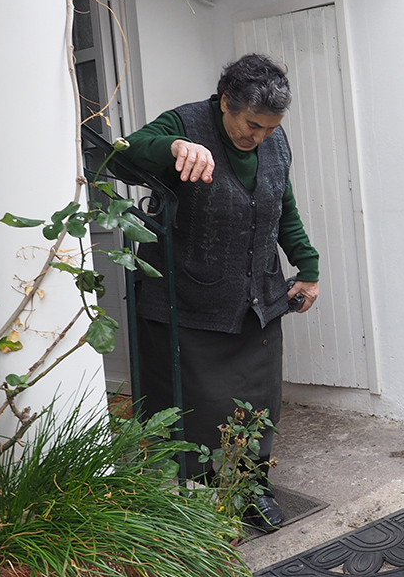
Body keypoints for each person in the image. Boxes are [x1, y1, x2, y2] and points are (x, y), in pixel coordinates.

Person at [118, 53, 320, 531]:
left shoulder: (273, 141)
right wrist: (173, 148)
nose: (260, 136)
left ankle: (252, 488)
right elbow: (125, 154)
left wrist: (307, 266)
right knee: (197, 408)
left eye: (270, 128)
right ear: (227, 101)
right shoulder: (186, 123)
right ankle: (202, 500)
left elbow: (282, 206)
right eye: (252, 124)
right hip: (190, 301)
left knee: (260, 401)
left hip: (257, 297)